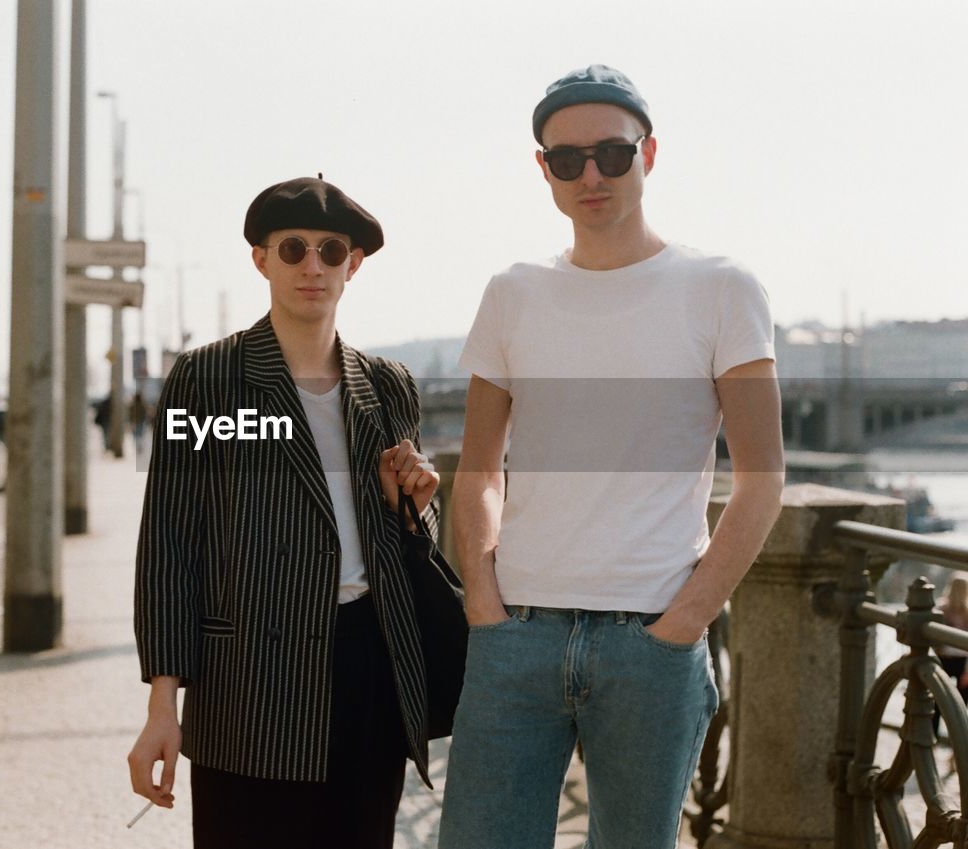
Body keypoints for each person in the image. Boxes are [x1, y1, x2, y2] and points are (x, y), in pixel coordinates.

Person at [439, 65, 785, 849]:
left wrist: (687, 619)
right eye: (567, 159)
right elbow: (480, 465)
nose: (590, 174)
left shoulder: (722, 288)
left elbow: (764, 476)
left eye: (611, 154)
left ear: (649, 154)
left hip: (651, 641)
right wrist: (483, 600)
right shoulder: (513, 291)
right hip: (516, 632)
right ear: (544, 170)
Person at [129, 176, 440, 849]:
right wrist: (163, 704)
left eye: (331, 251)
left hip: (368, 676)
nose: (312, 266)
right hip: (248, 683)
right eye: (293, 247)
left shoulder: (387, 386)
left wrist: (409, 508)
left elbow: (410, 551)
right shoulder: (208, 380)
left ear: (354, 265)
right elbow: (170, 545)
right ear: (261, 259)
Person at [934, 576, 968, 737]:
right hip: (948, 659)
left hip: (958, 661)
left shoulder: (965, 612)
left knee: (957, 705)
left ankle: (955, 747)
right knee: (943, 703)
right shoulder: (942, 609)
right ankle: (948, 743)